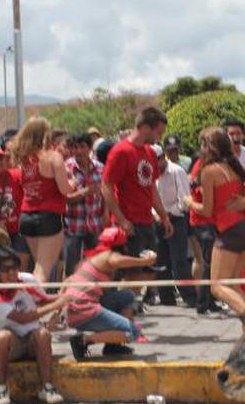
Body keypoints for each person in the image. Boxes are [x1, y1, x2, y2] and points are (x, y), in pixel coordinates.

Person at [186, 127, 245, 326]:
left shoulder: (209, 171)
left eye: (202, 144)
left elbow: (207, 210)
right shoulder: (232, 166)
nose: (200, 148)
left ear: (209, 147)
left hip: (232, 230)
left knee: (217, 287)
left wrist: (189, 203)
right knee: (233, 283)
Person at [0, 247, 64, 404]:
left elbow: (43, 299)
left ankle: (47, 388)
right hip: (12, 347)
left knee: (43, 333)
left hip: (32, 341)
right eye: (5, 269)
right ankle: (0, 389)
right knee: (1, 337)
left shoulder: (26, 280)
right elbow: (23, 319)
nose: (11, 273)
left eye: (14, 267)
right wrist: (56, 304)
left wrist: (68, 295)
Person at [64, 227, 153, 360]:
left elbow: (67, 281)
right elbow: (116, 260)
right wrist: (145, 261)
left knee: (127, 296)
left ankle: (113, 345)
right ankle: (84, 340)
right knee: (132, 332)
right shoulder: (108, 256)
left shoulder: (90, 257)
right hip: (84, 309)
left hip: (74, 309)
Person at [102, 107, 174, 256]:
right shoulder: (120, 152)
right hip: (129, 224)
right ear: (146, 128)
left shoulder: (151, 153)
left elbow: (151, 188)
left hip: (147, 222)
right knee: (132, 273)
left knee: (149, 269)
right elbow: (106, 187)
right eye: (158, 133)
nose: (159, 138)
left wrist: (164, 216)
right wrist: (122, 221)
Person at [13, 117, 73, 283]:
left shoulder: (25, 161)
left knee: (38, 267)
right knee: (42, 272)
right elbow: (65, 190)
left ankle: (36, 303)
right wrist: (73, 184)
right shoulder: (52, 157)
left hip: (27, 217)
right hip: (48, 217)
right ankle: (35, 306)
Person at [154, 139, 196, 306]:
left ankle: (189, 297)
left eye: (158, 160)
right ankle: (166, 297)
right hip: (158, 219)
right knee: (160, 260)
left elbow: (184, 199)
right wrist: (158, 215)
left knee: (179, 260)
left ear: (162, 157)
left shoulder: (176, 171)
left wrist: (170, 214)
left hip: (176, 218)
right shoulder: (151, 173)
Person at [63, 134, 104, 276]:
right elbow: (65, 199)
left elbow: (104, 197)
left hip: (94, 224)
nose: (79, 151)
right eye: (75, 147)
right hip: (73, 225)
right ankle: (71, 296)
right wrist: (86, 192)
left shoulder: (99, 168)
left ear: (89, 148)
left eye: (82, 147)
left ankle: (93, 294)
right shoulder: (66, 168)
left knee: (95, 265)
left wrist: (105, 219)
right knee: (71, 267)